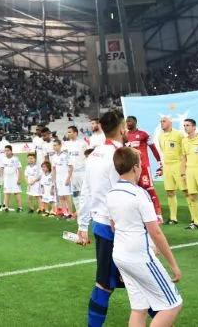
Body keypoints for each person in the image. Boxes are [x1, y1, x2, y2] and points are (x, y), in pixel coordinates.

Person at [107, 147, 183, 327]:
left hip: (120, 255)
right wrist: (173, 265)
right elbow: (155, 231)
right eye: (140, 164)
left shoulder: (111, 193)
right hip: (139, 257)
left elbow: (114, 226)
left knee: (139, 307)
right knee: (173, 305)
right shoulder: (139, 194)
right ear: (135, 168)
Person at [76, 109, 127, 327]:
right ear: (122, 128)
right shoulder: (120, 155)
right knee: (138, 279)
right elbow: (122, 192)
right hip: (118, 227)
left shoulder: (95, 154)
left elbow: (86, 191)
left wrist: (82, 225)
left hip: (101, 225)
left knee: (106, 282)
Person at [125, 115, 162, 222]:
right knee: (132, 191)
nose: (128, 123)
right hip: (130, 168)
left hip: (144, 167)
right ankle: (136, 215)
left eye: (130, 121)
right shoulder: (124, 136)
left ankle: (158, 215)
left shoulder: (143, 134)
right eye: (127, 122)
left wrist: (159, 162)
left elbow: (153, 148)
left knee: (149, 189)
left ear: (135, 122)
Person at [156, 115, 186, 225]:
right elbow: (163, 151)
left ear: (170, 123)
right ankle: (173, 218)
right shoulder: (160, 136)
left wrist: (184, 168)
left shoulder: (179, 135)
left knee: (186, 191)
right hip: (167, 166)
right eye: (161, 121)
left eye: (164, 121)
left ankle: (194, 218)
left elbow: (184, 152)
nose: (161, 123)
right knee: (170, 192)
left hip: (178, 164)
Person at [52, 139, 74, 219]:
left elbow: (71, 168)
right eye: (53, 145)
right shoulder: (54, 157)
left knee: (67, 196)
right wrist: (54, 180)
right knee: (61, 197)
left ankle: (70, 214)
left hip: (65, 178)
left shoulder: (65, 155)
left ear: (60, 146)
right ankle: (65, 213)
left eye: (55, 145)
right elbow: (54, 169)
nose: (54, 147)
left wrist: (68, 178)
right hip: (58, 179)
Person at [1, 145, 22, 213]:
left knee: (16, 193)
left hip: (14, 178)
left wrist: (19, 179)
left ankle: (20, 207)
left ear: (11, 151)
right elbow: (2, 168)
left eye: (8, 150)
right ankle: (6, 207)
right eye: (5, 151)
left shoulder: (16, 159)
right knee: (7, 193)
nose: (6, 152)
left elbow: (19, 169)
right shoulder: (3, 159)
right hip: (6, 179)